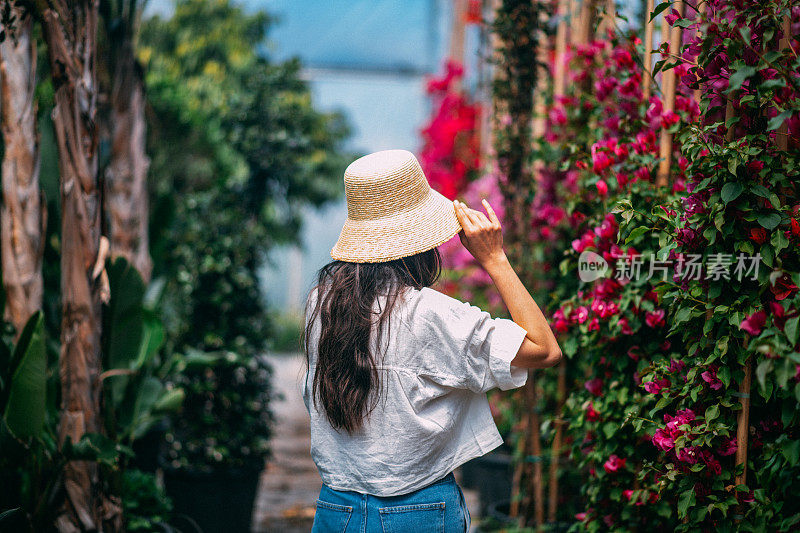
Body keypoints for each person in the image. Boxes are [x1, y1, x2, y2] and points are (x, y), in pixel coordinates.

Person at [302, 149, 561, 533]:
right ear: (421, 239)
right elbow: (545, 349)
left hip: (336, 507)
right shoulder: (431, 314)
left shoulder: (320, 304)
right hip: (418, 511)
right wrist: (495, 260)